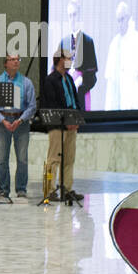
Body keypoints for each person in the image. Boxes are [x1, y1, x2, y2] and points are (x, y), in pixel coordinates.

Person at [0, 53, 36, 201]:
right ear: (5, 63)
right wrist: (2, 120)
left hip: (21, 123)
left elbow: (32, 106)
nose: (16, 62)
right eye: (13, 59)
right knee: (2, 158)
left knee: (22, 158)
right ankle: (4, 189)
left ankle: (21, 189)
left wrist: (20, 120)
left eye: (18, 59)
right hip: (3, 124)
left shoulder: (26, 82)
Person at [43, 47, 83, 201]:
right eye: (68, 58)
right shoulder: (51, 79)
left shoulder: (69, 79)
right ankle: (50, 189)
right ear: (60, 60)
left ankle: (67, 189)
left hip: (72, 124)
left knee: (69, 158)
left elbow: (75, 100)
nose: (70, 61)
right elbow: (52, 104)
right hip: (57, 126)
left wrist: (76, 120)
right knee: (54, 158)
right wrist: (65, 122)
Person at [105, 1, 138, 111]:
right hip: (116, 103)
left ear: (128, 18)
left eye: (122, 19)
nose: (120, 24)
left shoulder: (137, 40)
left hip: (133, 103)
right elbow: (110, 80)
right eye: (118, 20)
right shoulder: (114, 43)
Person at [59, 0, 97, 110]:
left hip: (81, 94)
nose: (72, 19)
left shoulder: (88, 41)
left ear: (79, 16)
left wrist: (79, 82)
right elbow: (55, 71)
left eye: (74, 15)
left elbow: (92, 76)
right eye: (69, 15)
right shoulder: (63, 42)